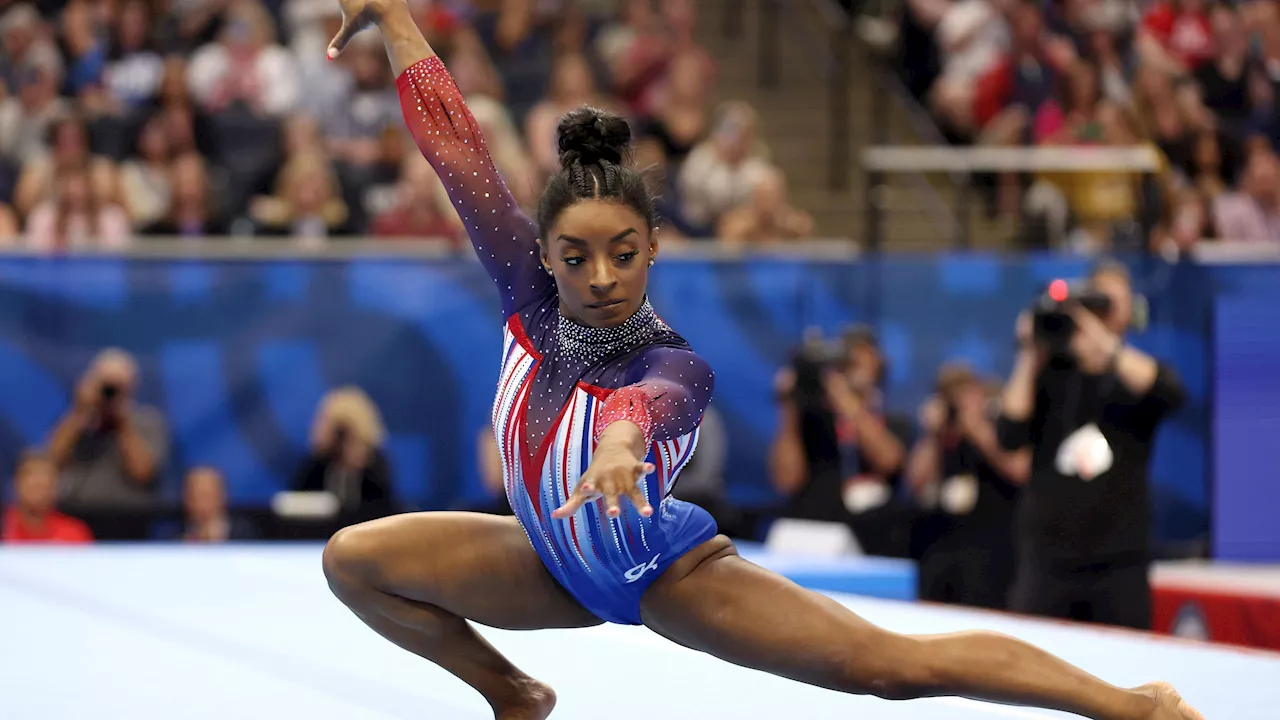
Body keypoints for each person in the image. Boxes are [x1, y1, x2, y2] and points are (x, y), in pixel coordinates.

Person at [318, 4, 1203, 720]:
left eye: (624, 252)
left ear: (655, 248)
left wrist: (619, 453)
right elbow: (458, 148)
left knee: (885, 668)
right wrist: (397, 17)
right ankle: (513, 693)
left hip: (663, 577)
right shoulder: (523, 291)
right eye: (577, 256)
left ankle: (1132, 706)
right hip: (551, 563)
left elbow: (646, 412)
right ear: (542, 253)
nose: (602, 276)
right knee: (353, 561)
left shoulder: (671, 363)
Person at [998, 261, 1187, 631]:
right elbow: (1009, 433)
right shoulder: (1050, 374)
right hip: (1048, 561)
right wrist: (1029, 352)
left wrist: (1103, 344)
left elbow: (1170, 395)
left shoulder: (1134, 377)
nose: (1101, 313)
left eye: (1114, 302)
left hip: (1119, 562)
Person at [909, 363, 1027, 610]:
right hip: (942, 544)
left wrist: (976, 426)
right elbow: (916, 482)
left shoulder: (999, 424)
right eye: (950, 396)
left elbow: (1017, 469)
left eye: (964, 392)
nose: (958, 402)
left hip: (991, 549)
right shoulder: (941, 436)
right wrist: (932, 435)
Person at [1, 451, 93, 544]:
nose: (39, 484)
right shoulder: (4, 528)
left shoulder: (74, 533)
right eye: (32, 477)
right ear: (16, 483)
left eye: (47, 479)